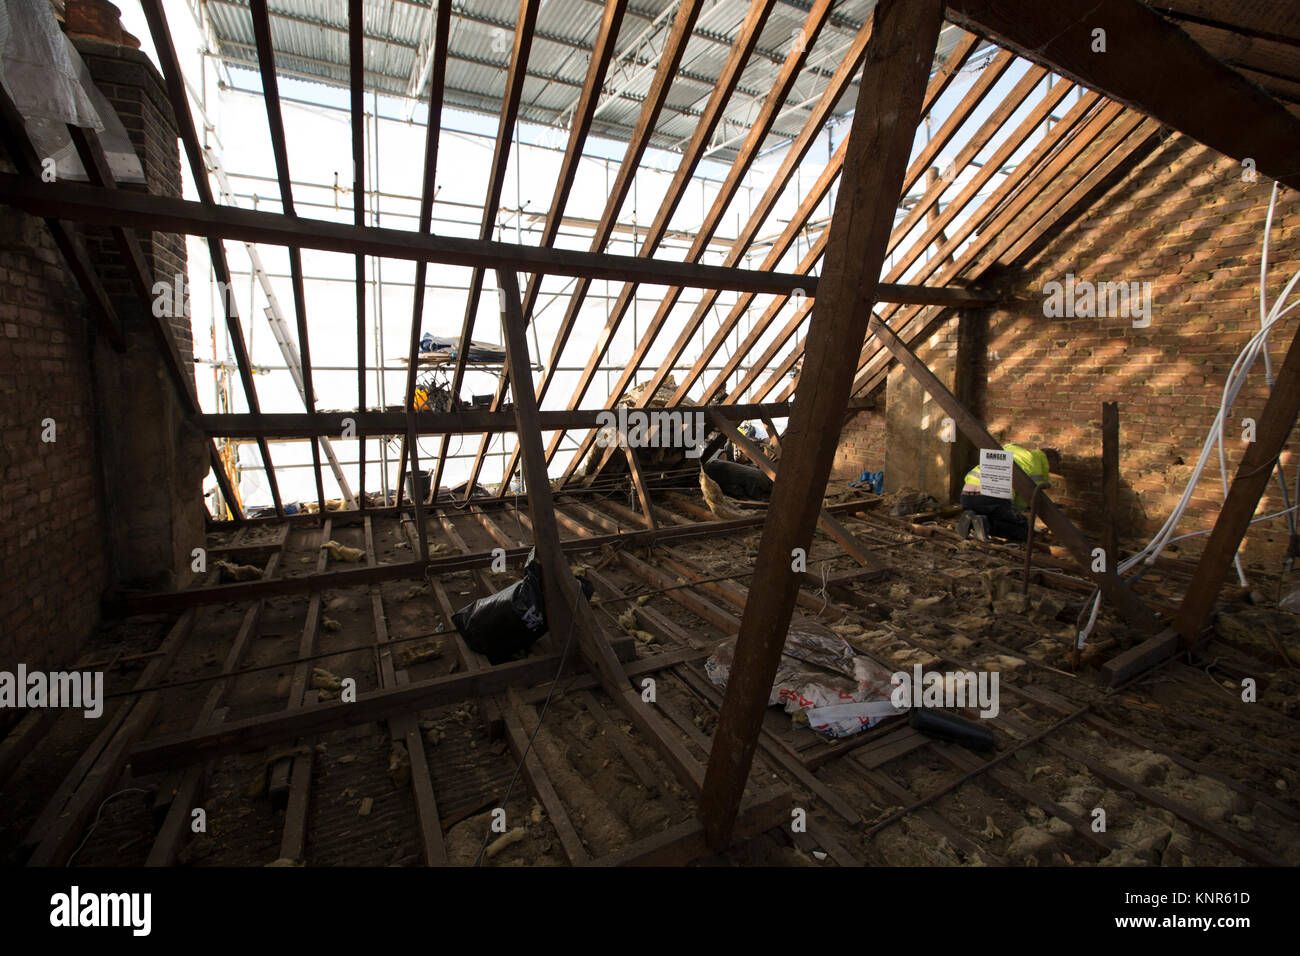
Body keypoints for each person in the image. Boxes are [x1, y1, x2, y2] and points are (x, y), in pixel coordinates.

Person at [957, 445, 1061, 542]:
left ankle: (973, 520)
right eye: (1055, 465)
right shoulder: (1036, 464)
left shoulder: (1013, 450)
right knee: (1024, 530)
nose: (1053, 470)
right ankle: (981, 523)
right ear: (1050, 460)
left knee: (990, 516)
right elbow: (1028, 498)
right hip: (991, 497)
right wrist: (1017, 515)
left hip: (967, 495)